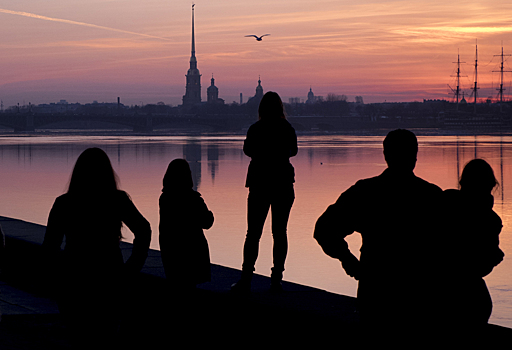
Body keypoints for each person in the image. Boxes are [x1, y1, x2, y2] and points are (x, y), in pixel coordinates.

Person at [314, 129, 443, 341]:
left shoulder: (365, 192)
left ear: (385, 155)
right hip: (419, 294)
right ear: (415, 156)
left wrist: (348, 260)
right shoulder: (431, 196)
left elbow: (324, 229)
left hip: (375, 289)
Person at [42, 147, 151, 340]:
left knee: (80, 335)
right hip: (110, 273)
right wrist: (133, 266)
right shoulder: (117, 200)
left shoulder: (64, 203)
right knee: (106, 334)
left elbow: (50, 246)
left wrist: (59, 273)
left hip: (74, 276)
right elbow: (143, 229)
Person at [232, 91, 298, 293]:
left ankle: (246, 279)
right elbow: (293, 151)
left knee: (253, 234)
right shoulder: (286, 128)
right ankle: (276, 279)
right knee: (280, 233)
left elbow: (247, 150)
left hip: (259, 184)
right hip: (283, 184)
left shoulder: (256, 128)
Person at [441, 159, 504, 338]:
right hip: (470, 297)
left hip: (438, 290)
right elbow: (480, 268)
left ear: (462, 183)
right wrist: (493, 257)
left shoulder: (445, 201)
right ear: (491, 185)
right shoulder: (491, 221)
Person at [159, 158, 214, 291]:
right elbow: (207, 222)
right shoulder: (193, 199)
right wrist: (211, 214)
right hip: (192, 252)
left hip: (171, 250)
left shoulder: (165, 198)